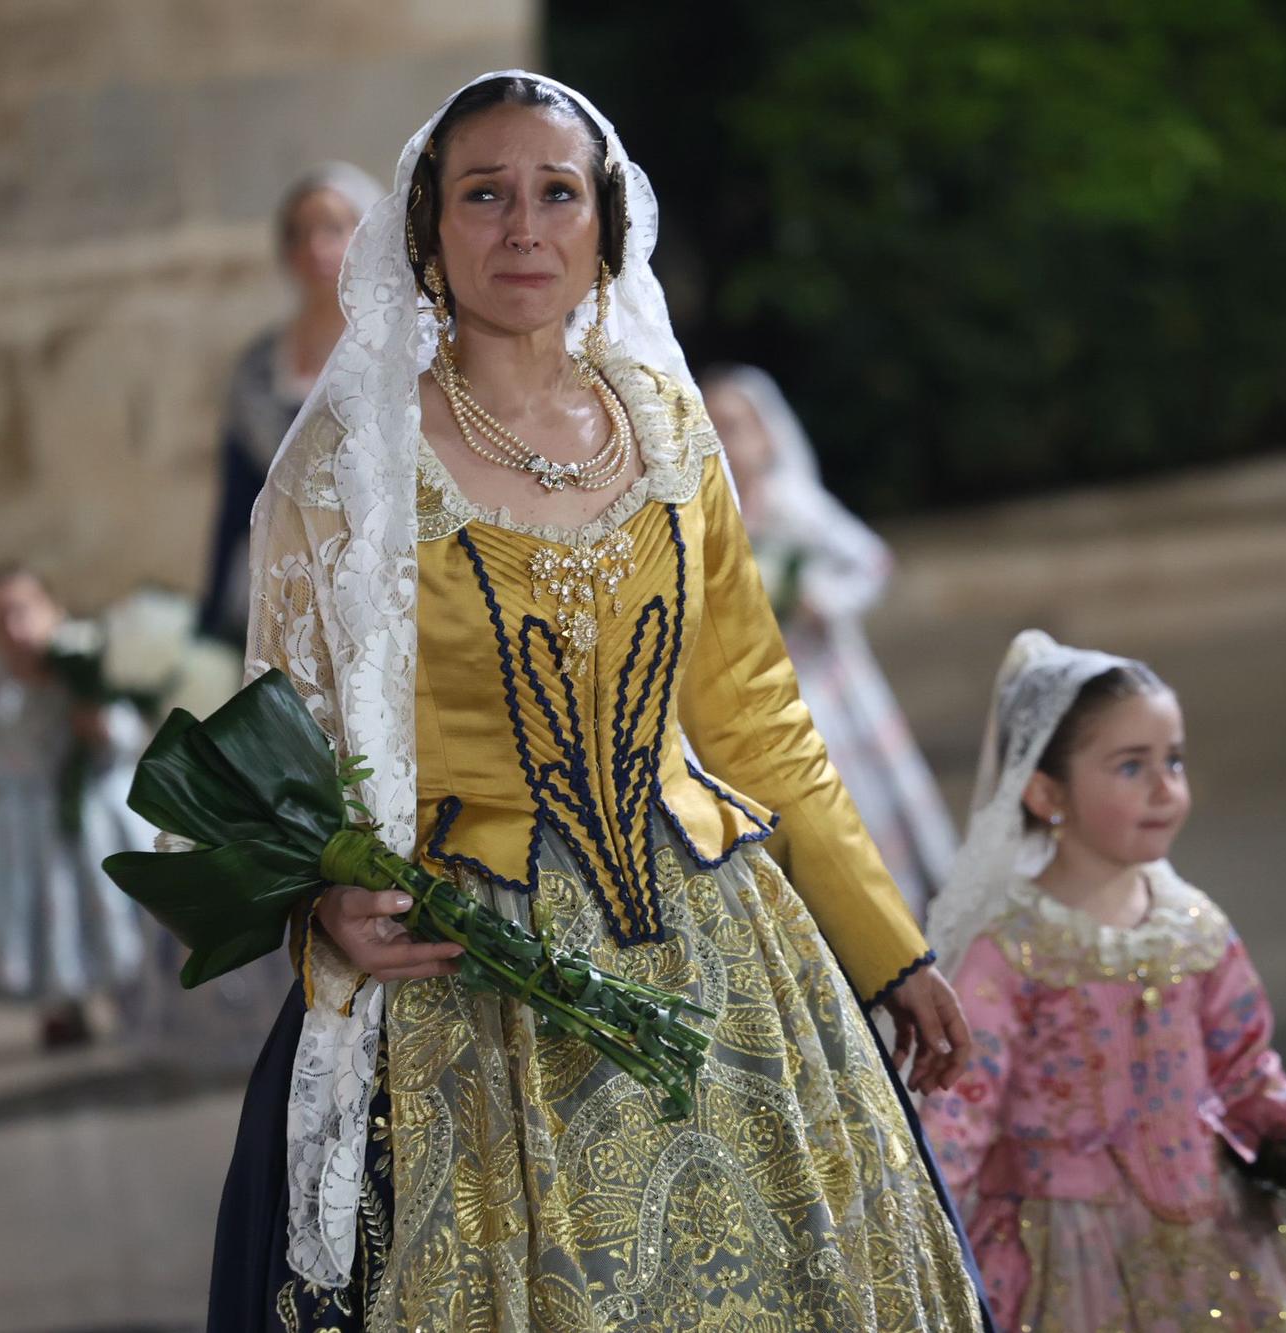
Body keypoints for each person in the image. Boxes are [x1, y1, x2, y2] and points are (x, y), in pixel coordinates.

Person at [205, 72, 993, 1331]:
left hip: (719, 950)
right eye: (484, 195)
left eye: (555, 194)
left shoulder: (670, 425)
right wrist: (326, 902)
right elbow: (285, 750)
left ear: (604, 227)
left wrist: (887, 949)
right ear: (428, 228)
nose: (522, 228)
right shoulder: (348, 463)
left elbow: (752, 711)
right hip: (474, 976)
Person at [919, 630, 1286, 1331]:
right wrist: (922, 1230)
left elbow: (1243, 1065)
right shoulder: (1010, 948)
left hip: (1218, 1230)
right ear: (1045, 791)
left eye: (1175, 760)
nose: (1165, 788)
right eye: (1131, 767)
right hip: (1063, 1250)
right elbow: (960, 1110)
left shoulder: (1193, 927)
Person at [703, 364, 957, 924]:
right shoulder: (716, 517)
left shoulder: (792, 504)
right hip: (765, 688)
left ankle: (897, 903)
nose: (725, 441)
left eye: (735, 426)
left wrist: (820, 596)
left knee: (854, 789)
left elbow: (871, 561)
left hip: (829, 684)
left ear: (767, 434)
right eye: (711, 426)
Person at [0, 567, 151, 1049]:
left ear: (53, 611)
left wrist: (101, 727)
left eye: (22, 611)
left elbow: (130, 731)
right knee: (46, 914)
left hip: (91, 814)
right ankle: (64, 1003)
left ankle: (133, 995)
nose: (14, 629)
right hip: (19, 826)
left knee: (110, 908)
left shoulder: (83, 661)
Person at [196, 163, 385, 646]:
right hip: (284, 588)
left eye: (333, 229)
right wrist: (213, 613)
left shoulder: (393, 356)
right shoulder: (259, 367)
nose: (315, 248)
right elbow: (239, 497)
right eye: (299, 234)